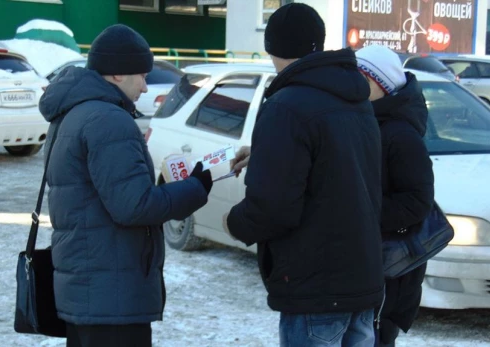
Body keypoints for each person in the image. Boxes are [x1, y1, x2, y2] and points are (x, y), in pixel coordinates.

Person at [38, 24, 213, 347]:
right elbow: (134, 206)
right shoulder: (108, 119)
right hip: (111, 296)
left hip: (91, 289)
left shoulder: (73, 113)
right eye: (142, 76)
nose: (146, 87)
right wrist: (195, 188)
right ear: (118, 74)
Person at [225, 3, 385, 346]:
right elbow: (335, 165)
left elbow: (273, 208)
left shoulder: (287, 106)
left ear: (271, 48)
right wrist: (265, 155)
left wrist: (234, 223)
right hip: (362, 282)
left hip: (317, 288)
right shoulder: (354, 99)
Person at [355, 45, 435, 347]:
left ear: (381, 84)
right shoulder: (367, 121)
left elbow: (417, 201)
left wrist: (361, 212)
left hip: (390, 272)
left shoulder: (401, 134)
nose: (354, 84)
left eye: (361, 76)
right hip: (367, 263)